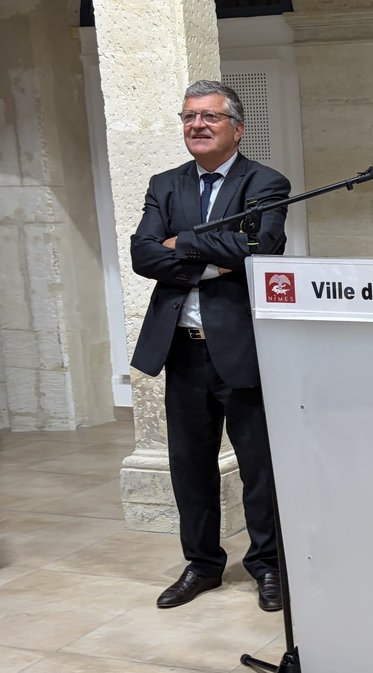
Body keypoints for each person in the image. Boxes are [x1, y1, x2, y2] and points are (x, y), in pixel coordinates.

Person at [130, 80, 290, 612]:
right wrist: (214, 254)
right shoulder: (164, 184)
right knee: (189, 465)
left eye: (210, 117)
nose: (196, 125)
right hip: (182, 348)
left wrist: (183, 241)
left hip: (242, 348)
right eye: (188, 117)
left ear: (237, 128)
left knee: (259, 466)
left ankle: (267, 566)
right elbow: (142, 254)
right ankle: (201, 564)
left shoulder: (266, 182)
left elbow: (261, 246)